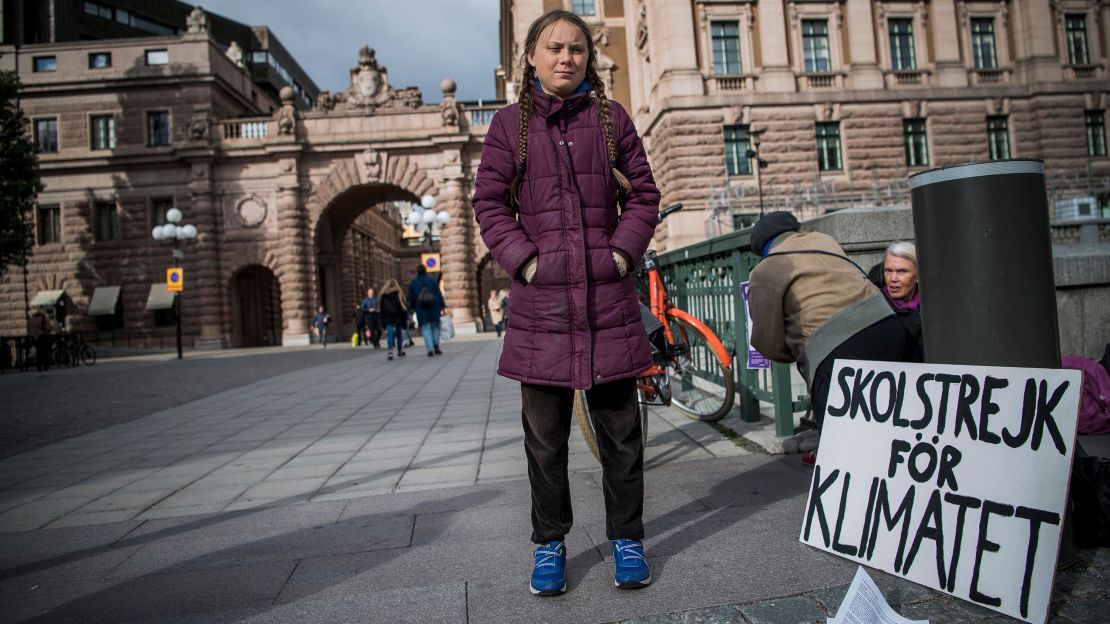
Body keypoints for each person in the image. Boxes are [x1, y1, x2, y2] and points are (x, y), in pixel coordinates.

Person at [472, 9, 660, 596]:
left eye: (576, 49)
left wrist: (622, 256)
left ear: (588, 57)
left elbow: (645, 196)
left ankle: (627, 539)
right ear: (531, 56)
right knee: (545, 443)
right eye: (553, 48)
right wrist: (527, 261)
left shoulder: (611, 120)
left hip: (607, 301)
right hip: (541, 312)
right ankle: (549, 547)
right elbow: (489, 203)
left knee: (622, 436)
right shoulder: (509, 126)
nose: (565, 58)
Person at [747, 212, 907, 464]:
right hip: (887, 325)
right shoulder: (824, 240)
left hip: (836, 348)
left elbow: (767, 340)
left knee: (839, 435)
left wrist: (797, 352)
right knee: (889, 413)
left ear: (761, 247)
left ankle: (846, 479)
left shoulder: (765, 270)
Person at [881, 241, 924, 362]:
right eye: (888, 271)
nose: (893, 279)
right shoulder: (875, 309)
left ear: (917, 275)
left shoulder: (932, 307)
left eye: (902, 271)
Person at [406, 265, 446, 356]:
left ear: (417, 271)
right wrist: (442, 306)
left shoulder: (413, 283)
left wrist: (412, 308)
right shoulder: (432, 280)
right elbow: (438, 293)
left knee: (425, 328)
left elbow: (410, 298)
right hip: (434, 307)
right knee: (435, 326)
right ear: (425, 270)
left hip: (421, 309)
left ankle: (430, 349)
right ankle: (436, 345)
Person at [379, 279, 408, 360]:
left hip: (387, 318)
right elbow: (403, 309)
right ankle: (400, 351)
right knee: (399, 335)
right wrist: (404, 322)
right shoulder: (399, 294)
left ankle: (390, 351)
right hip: (397, 317)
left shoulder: (383, 296)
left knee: (390, 335)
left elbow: (381, 310)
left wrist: (382, 322)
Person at [28, 309, 56, 378]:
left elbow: (28, 329)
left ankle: (39, 370)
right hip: (44, 337)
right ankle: (45, 370)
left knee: (39, 355)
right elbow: (50, 327)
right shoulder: (43, 318)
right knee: (46, 354)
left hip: (36, 338)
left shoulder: (31, 320)